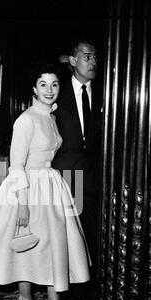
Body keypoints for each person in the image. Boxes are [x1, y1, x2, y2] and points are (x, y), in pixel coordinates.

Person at [0, 63, 90, 300]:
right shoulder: (26, 120)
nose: (49, 90)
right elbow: (16, 164)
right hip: (27, 188)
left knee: (52, 246)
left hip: (51, 185)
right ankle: (26, 299)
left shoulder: (50, 117)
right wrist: (23, 204)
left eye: (54, 84)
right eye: (43, 84)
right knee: (26, 246)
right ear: (33, 88)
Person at [52, 37, 103, 285]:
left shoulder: (105, 94)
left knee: (91, 232)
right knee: (67, 236)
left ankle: (88, 287)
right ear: (73, 61)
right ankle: (68, 287)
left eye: (94, 57)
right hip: (67, 176)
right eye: (87, 57)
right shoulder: (56, 94)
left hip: (95, 176)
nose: (93, 62)